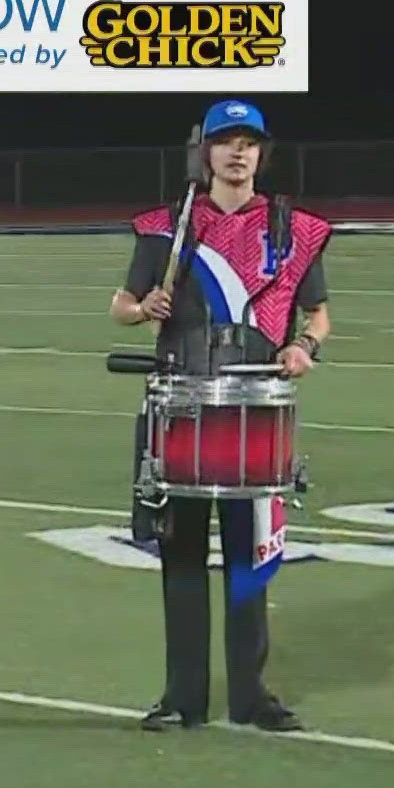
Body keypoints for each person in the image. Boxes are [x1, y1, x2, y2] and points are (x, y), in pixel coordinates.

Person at [110, 99, 330, 733]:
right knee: (180, 558)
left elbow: (316, 316)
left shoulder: (292, 229)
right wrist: (141, 307)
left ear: (262, 153)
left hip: (254, 413)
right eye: (226, 142)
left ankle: (251, 695)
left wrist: (302, 347)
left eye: (250, 143)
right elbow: (121, 305)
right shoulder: (165, 228)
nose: (239, 153)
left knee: (250, 559)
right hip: (181, 408)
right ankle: (183, 697)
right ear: (203, 152)